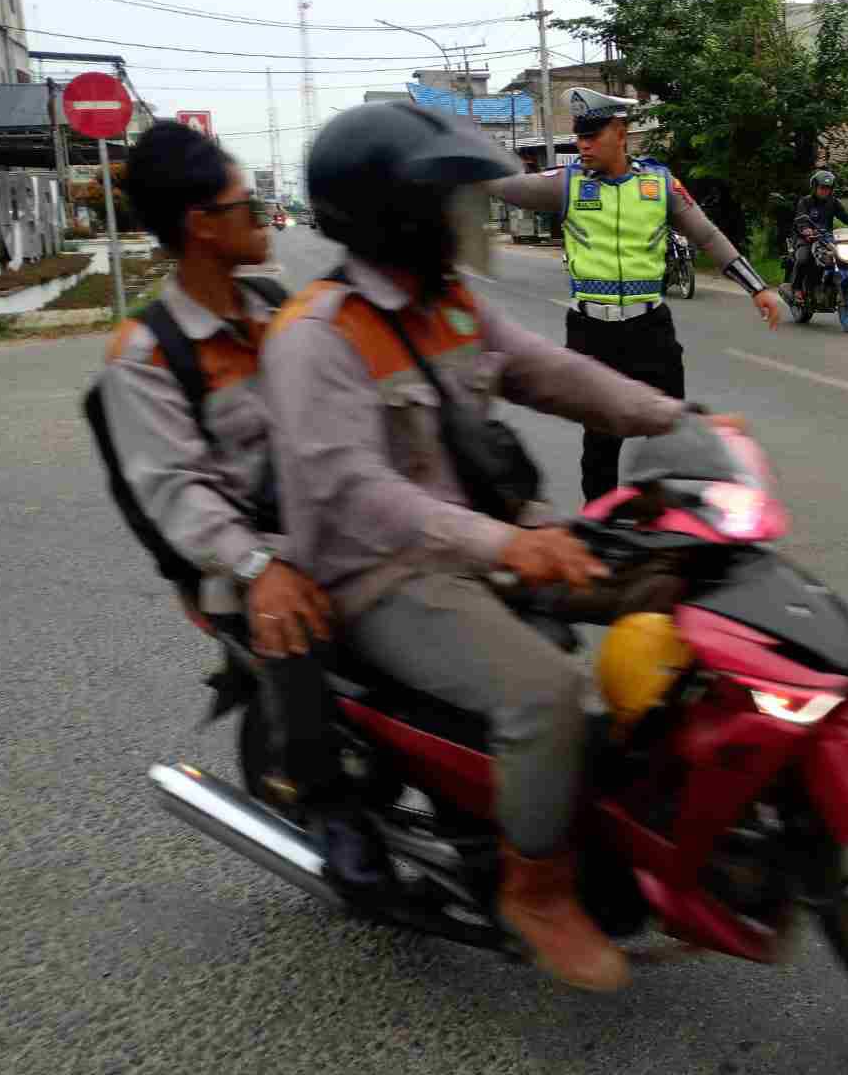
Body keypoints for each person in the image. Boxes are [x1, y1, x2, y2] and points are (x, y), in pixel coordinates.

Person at [261, 102, 745, 993]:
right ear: (397, 217)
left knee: (680, 573)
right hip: (384, 576)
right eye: (453, 206)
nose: (471, 222)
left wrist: (678, 418)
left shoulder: (446, 304)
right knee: (545, 692)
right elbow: (358, 495)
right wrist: (507, 544)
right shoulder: (316, 336)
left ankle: (659, 804)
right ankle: (539, 890)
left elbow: (549, 373)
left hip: (479, 544)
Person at [97, 125, 385, 892]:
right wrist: (261, 567)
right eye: (245, 203)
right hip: (245, 559)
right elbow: (174, 491)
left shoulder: (269, 306)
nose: (261, 216)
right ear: (200, 224)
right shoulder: (147, 354)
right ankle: (332, 812)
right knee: (293, 619)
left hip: (330, 523)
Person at [484, 87, 779, 503]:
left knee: (674, 438)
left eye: (592, 135)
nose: (582, 145)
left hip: (650, 331)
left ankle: (673, 533)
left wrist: (758, 287)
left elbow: (708, 236)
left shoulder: (659, 185)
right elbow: (503, 186)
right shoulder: (566, 185)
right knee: (601, 447)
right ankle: (602, 538)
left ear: (619, 132)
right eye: (578, 135)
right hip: (592, 333)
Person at [789, 169, 848, 305]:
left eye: (828, 188)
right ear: (815, 187)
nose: (825, 191)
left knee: (839, 257)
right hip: (806, 238)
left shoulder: (833, 202)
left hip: (826, 238)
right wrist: (805, 229)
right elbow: (800, 218)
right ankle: (796, 289)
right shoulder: (805, 202)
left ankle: (830, 286)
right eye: (822, 188)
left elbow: (845, 217)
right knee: (803, 258)